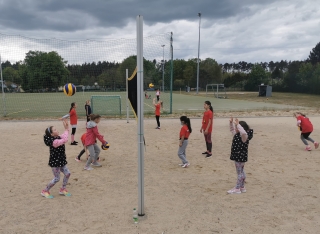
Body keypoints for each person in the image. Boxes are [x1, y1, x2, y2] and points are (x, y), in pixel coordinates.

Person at [41, 119, 71, 198]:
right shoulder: (54, 142)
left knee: (67, 174)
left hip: (61, 161)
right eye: (54, 130)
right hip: (55, 163)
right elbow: (65, 139)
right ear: (51, 134)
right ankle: (45, 191)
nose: (57, 130)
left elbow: (64, 136)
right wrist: (66, 129)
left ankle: (62, 189)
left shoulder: (58, 137)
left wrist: (66, 128)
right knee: (57, 178)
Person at [227, 117, 253, 194]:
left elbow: (244, 133)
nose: (236, 128)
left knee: (239, 173)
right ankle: (242, 187)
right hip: (238, 156)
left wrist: (238, 125)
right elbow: (232, 130)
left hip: (240, 156)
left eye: (237, 127)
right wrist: (231, 123)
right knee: (241, 171)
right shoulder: (237, 134)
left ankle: (237, 188)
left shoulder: (244, 137)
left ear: (242, 128)